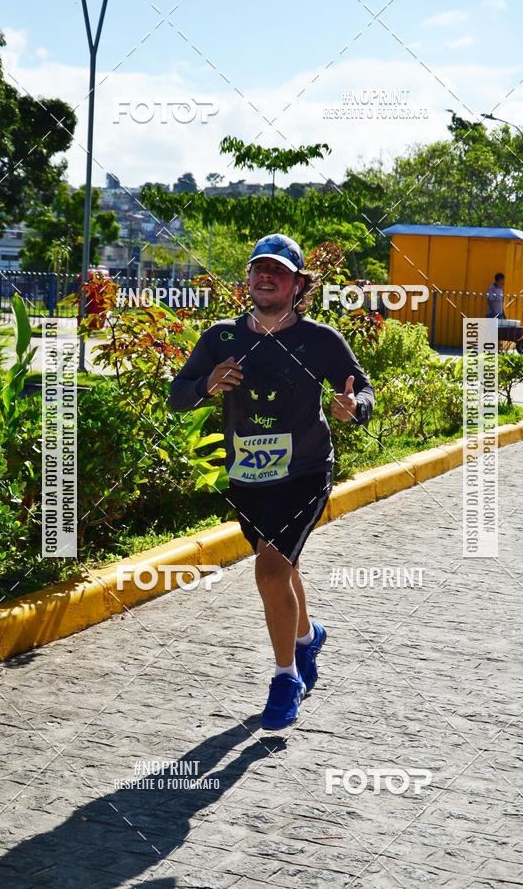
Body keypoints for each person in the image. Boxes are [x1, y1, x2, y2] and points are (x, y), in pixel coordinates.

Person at [168, 233, 375, 730]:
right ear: (248, 278)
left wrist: (355, 407)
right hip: (248, 475)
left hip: (305, 469)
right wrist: (204, 386)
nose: (266, 276)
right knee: (283, 564)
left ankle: (286, 680)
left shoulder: (319, 339)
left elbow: (361, 388)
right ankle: (307, 639)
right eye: (259, 268)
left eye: (278, 271)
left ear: (298, 285)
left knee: (269, 568)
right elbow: (177, 395)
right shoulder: (222, 336)